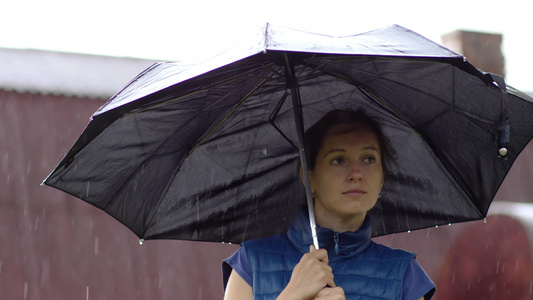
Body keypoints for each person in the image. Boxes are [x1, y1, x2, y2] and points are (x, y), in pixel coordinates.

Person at [222, 109, 436, 300]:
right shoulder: (251, 263)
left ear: (382, 179)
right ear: (308, 178)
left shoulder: (404, 275)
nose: (356, 173)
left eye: (369, 159)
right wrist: (292, 295)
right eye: (338, 160)